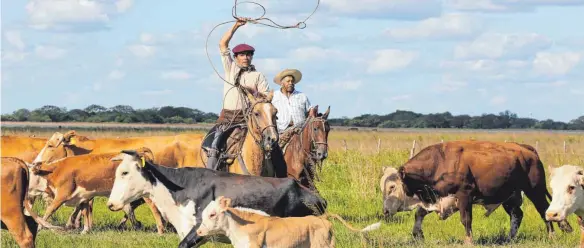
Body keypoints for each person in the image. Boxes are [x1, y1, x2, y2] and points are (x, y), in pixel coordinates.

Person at [202, 17, 270, 170]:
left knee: (271, 145)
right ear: (236, 57)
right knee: (213, 146)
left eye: (248, 54)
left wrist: (252, 91)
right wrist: (236, 26)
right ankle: (210, 173)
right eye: (242, 54)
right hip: (228, 117)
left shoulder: (258, 76)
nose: (246, 57)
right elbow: (222, 44)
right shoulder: (230, 68)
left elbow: (265, 98)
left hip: (249, 119)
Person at [271, 69, 313, 148]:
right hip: (281, 133)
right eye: (288, 81)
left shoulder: (302, 96)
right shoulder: (274, 96)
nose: (290, 83)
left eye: (292, 81)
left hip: (300, 133)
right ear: (282, 83)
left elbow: (310, 111)